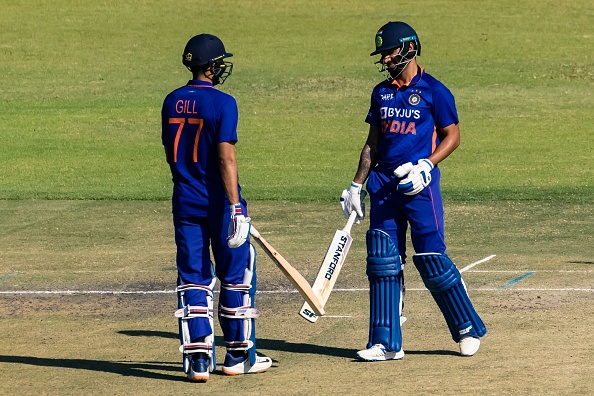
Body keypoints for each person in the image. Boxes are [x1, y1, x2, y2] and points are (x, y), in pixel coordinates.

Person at [340, 21, 486, 361]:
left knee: (431, 259)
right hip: (384, 186)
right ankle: (386, 343)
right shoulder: (381, 92)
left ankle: (466, 326)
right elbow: (373, 142)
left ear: (410, 48)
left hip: (420, 187)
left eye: (390, 52)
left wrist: (427, 165)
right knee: (382, 259)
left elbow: (453, 136)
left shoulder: (435, 91)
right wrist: (356, 184)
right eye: (383, 54)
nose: (386, 59)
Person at [161, 33, 272, 382]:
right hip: (220, 204)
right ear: (210, 66)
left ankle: (197, 363)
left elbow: (170, 151)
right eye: (219, 63)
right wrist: (236, 207)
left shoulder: (170, 101)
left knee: (193, 277)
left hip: (184, 199)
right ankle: (238, 356)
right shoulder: (224, 103)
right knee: (237, 276)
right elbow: (226, 158)